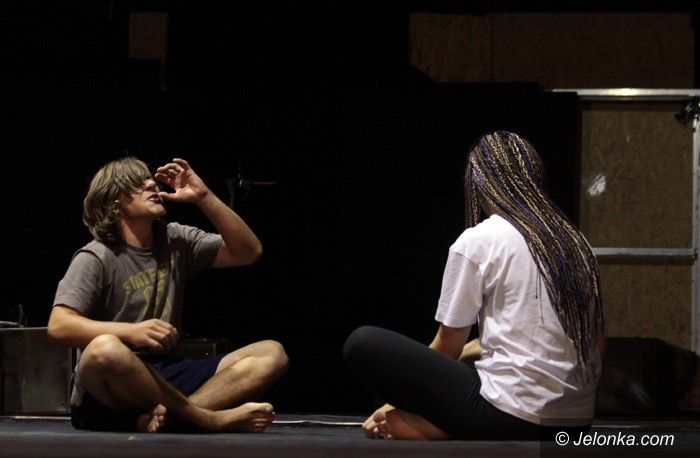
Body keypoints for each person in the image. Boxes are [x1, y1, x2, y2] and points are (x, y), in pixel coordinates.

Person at [343, 131, 605, 441]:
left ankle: (436, 426)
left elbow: (448, 347)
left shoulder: (480, 240)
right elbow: (597, 342)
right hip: (575, 422)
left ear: (478, 182)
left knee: (362, 343)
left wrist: (400, 397)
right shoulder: (577, 244)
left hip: (507, 414)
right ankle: (437, 424)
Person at [48, 156, 289, 433]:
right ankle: (208, 419)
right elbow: (58, 325)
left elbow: (248, 251)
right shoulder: (96, 256)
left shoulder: (175, 240)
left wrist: (203, 197)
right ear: (113, 203)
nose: (152, 184)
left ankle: (167, 418)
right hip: (110, 384)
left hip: (164, 373)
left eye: (149, 179)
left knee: (272, 353)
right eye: (137, 184)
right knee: (104, 349)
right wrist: (132, 332)